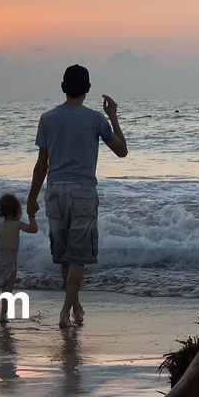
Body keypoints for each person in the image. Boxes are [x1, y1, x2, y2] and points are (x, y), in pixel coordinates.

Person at [26, 63, 128, 328]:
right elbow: (121, 151)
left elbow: (42, 164)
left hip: (56, 190)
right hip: (82, 191)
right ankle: (64, 311)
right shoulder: (96, 119)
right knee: (79, 256)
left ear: (63, 88)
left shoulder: (48, 118)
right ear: (88, 89)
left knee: (64, 255)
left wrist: (32, 198)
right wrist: (114, 116)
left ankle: (75, 305)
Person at [0, 193, 38, 319]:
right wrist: (32, 216)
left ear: (1, 211)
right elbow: (33, 229)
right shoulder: (17, 224)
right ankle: (3, 314)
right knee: (7, 289)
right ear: (17, 210)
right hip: (10, 263)